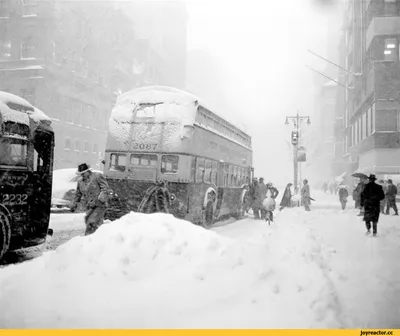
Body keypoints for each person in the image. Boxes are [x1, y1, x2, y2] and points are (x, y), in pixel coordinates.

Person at [70, 163, 110, 236]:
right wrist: (74, 203)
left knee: (92, 222)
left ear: (88, 171)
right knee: (88, 220)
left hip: (100, 205)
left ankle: (87, 239)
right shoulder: (80, 181)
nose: (82, 175)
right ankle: (100, 237)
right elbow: (78, 194)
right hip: (89, 206)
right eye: (81, 174)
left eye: (83, 173)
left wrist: (102, 196)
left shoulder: (97, 176)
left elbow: (105, 188)